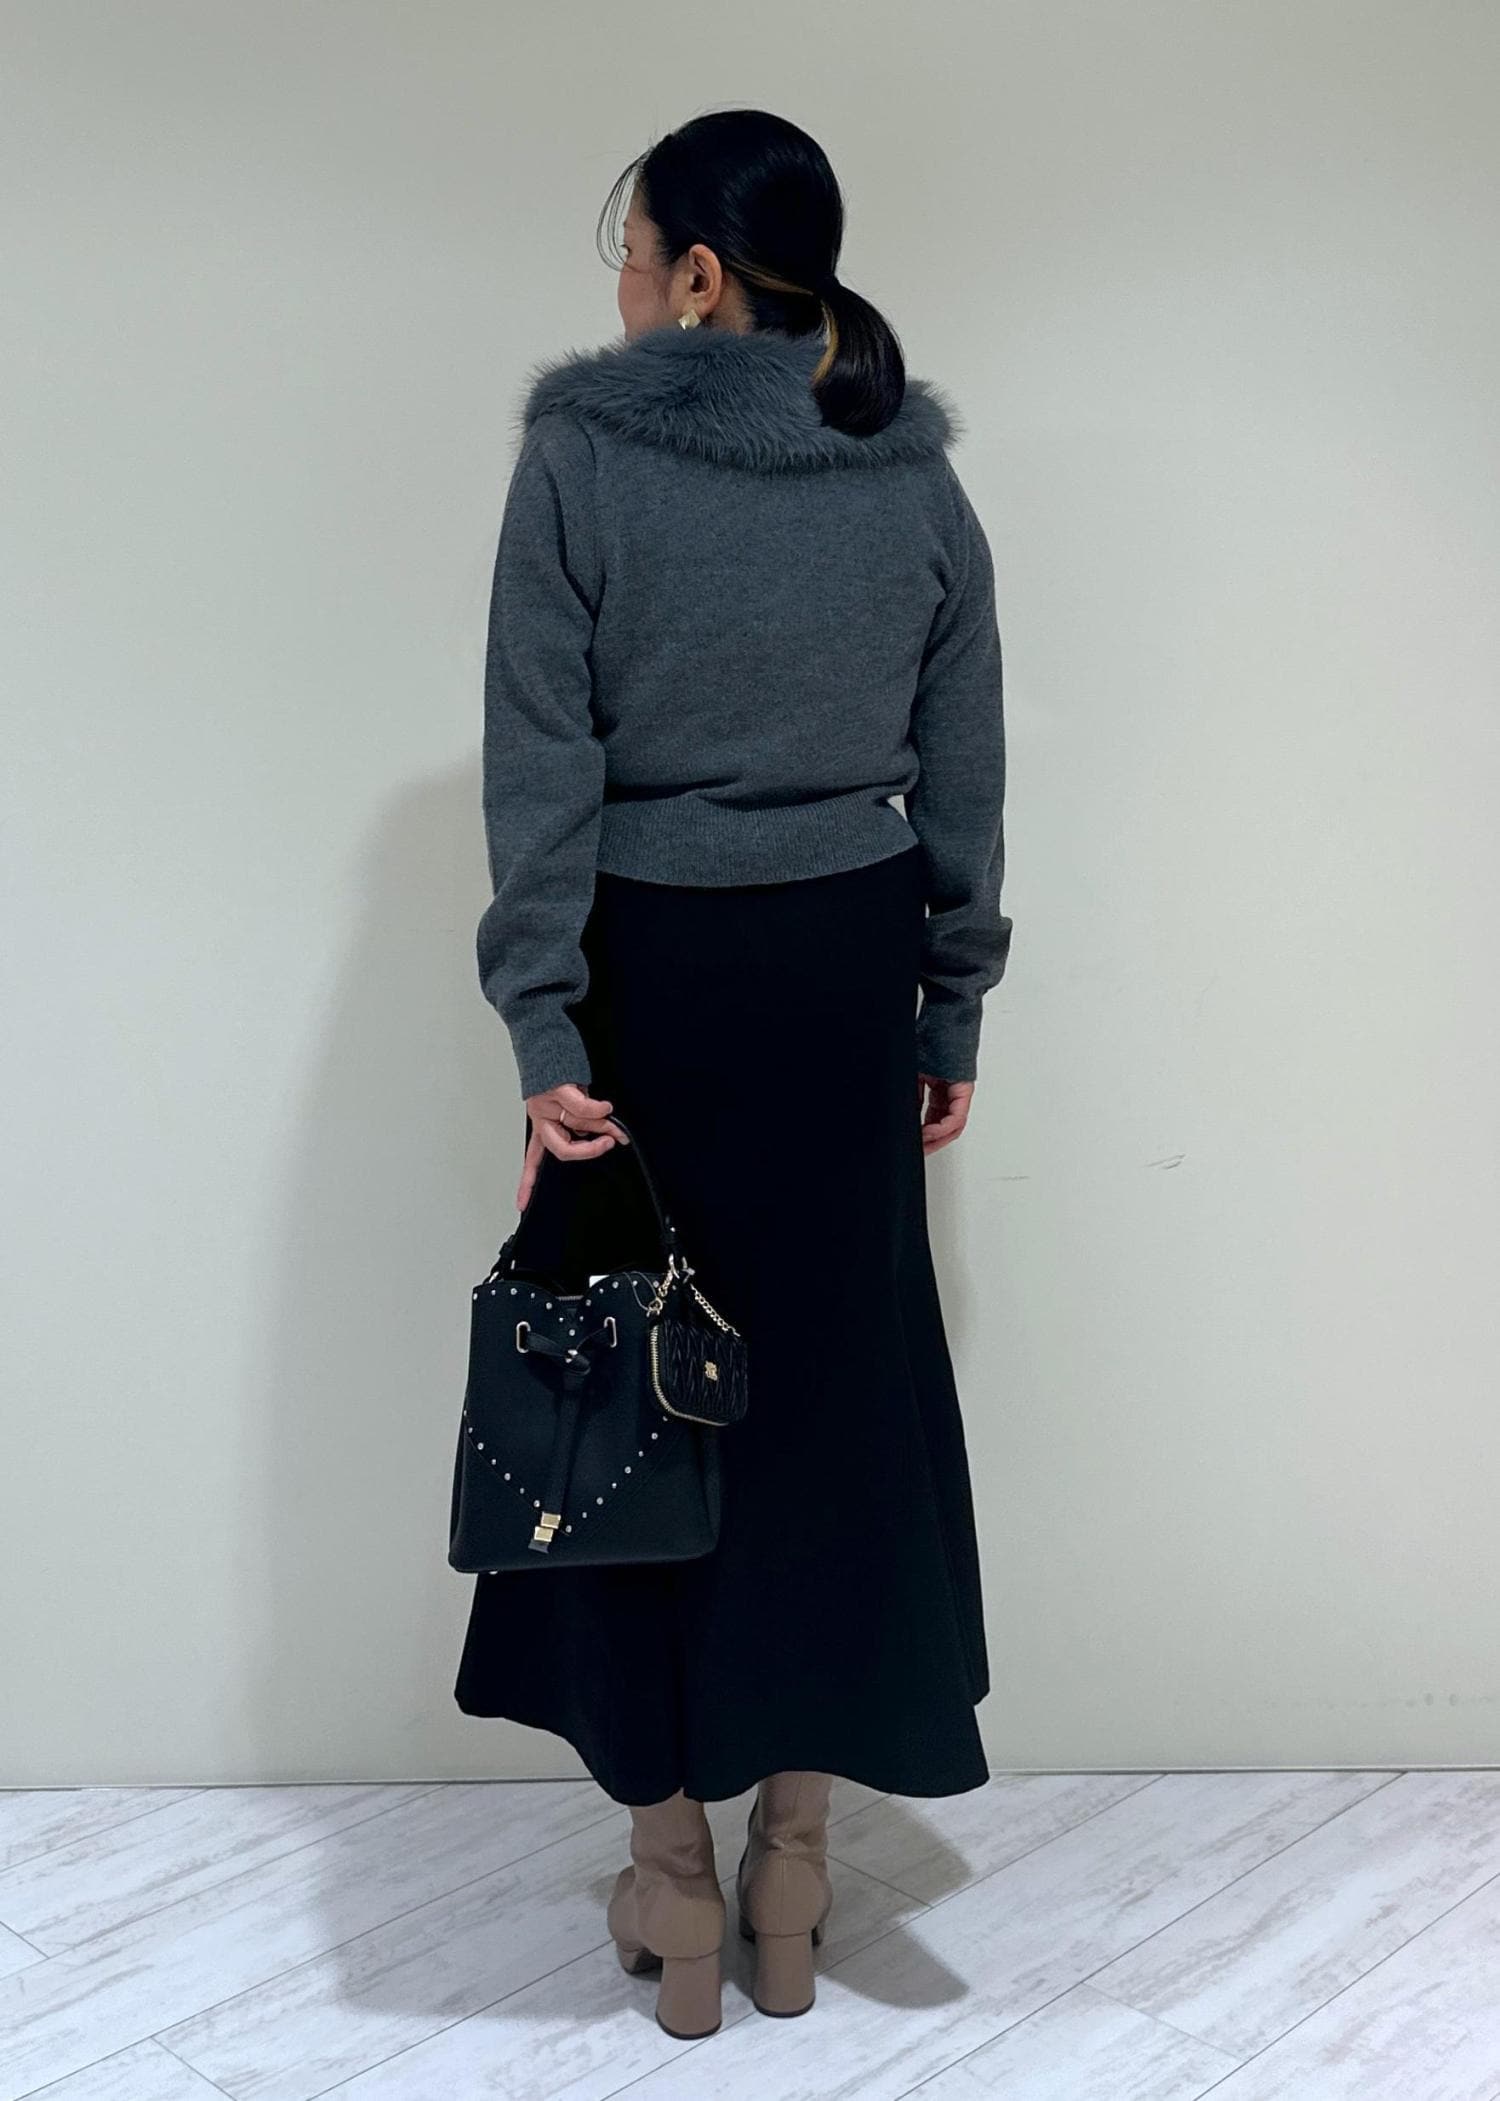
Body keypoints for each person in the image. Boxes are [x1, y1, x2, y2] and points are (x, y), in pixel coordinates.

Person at [453, 106, 1012, 2039]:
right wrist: (947, 1004)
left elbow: (541, 759)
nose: (619, 286)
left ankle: (674, 1888)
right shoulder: (908, 472)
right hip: (841, 977)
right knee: (826, 1412)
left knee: (633, 1406)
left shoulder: (581, 460)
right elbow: (964, 762)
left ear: (699, 275)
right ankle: (796, 1865)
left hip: (652, 979)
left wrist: (545, 1024)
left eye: (632, 250)